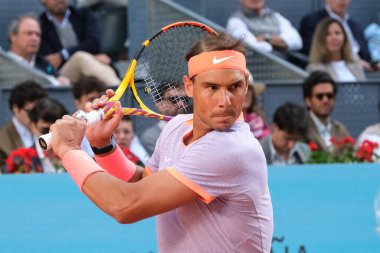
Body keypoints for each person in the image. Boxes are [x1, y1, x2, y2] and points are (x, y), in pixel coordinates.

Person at [49, 33, 273, 252]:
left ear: (245, 86)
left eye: (234, 86)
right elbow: (144, 183)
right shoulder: (177, 127)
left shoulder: (231, 149)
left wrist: (68, 149)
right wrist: (102, 145)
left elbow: (125, 205)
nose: (225, 101)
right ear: (189, 87)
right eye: (212, 87)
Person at [38, 0, 121, 85]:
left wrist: (62, 55)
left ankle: (120, 90)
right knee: (80, 58)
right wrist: (90, 56)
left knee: (100, 60)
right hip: (61, 75)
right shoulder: (40, 26)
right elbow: (50, 61)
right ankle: (121, 91)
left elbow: (94, 43)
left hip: (92, 66)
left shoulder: (83, 14)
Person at [299, 0, 374, 71]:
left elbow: (367, 56)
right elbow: (313, 52)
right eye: (328, 34)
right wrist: (354, 62)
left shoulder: (355, 26)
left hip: (363, 72)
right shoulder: (312, 21)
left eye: (337, 33)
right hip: (330, 70)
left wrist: (373, 65)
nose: (342, 0)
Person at [7, 13, 70, 86]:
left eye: (38, 35)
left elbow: (59, 79)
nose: (35, 38)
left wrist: (62, 81)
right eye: (29, 33)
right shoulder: (4, 63)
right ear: (13, 37)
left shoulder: (43, 63)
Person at [0, 81, 47, 173]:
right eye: (30, 112)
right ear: (15, 108)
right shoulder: (2, 139)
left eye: (38, 111)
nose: (36, 116)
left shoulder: (46, 130)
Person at [226, 0, 302, 53]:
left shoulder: (275, 16)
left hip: (286, 64)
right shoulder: (235, 21)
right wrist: (280, 41)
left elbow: (297, 41)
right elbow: (254, 48)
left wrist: (266, 39)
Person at [303, 71, 350, 152]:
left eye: (329, 96)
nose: (325, 100)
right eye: (320, 96)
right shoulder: (301, 129)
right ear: (308, 101)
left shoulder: (341, 130)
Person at [307, 17, 366, 82]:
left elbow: (364, 88)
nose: (334, 38)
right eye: (328, 34)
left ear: (345, 37)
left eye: (337, 33)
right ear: (320, 40)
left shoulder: (354, 60)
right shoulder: (315, 68)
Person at [140, 84, 191, 156]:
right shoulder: (151, 137)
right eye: (174, 99)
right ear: (160, 104)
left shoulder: (193, 130)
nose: (181, 104)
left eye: (184, 99)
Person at [29, 97, 68, 173]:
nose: (51, 135)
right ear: (33, 126)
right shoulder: (24, 159)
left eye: (56, 130)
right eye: (45, 130)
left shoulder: (73, 155)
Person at [72, 76, 107, 157]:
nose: (97, 102)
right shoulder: (71, 130)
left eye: (100, 98)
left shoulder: (117, 126)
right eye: (91, 99)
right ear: (78, 103)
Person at [242, 73, 269, 140]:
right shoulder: (225, 124)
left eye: (249, 89)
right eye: (241, 88)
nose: (247, 93)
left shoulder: (259, 119)